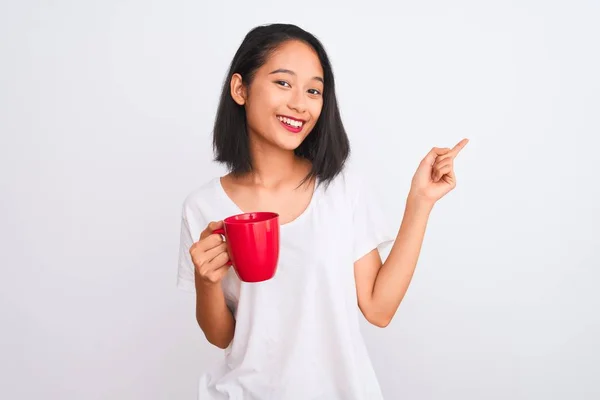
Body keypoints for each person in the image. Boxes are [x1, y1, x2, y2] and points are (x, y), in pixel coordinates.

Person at [177, 23, 468, 400]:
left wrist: (420, 201)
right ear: (240, 89)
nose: (301, 103)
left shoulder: (341, 189)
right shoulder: (203, 207)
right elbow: (222, 337)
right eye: (283, 83)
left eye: (314, 90)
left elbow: (379, 309)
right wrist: (206, 280)